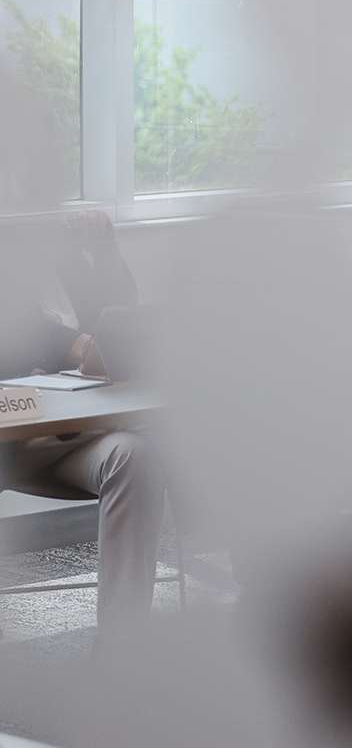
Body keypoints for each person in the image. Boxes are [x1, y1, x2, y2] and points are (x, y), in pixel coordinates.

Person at [0, 209, 166, 642]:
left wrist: (107, 256)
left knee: (134, 456)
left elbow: (115, 322)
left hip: (72, 432)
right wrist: (72, 345)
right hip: (11, 440)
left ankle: (122, 647)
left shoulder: (57, 242)